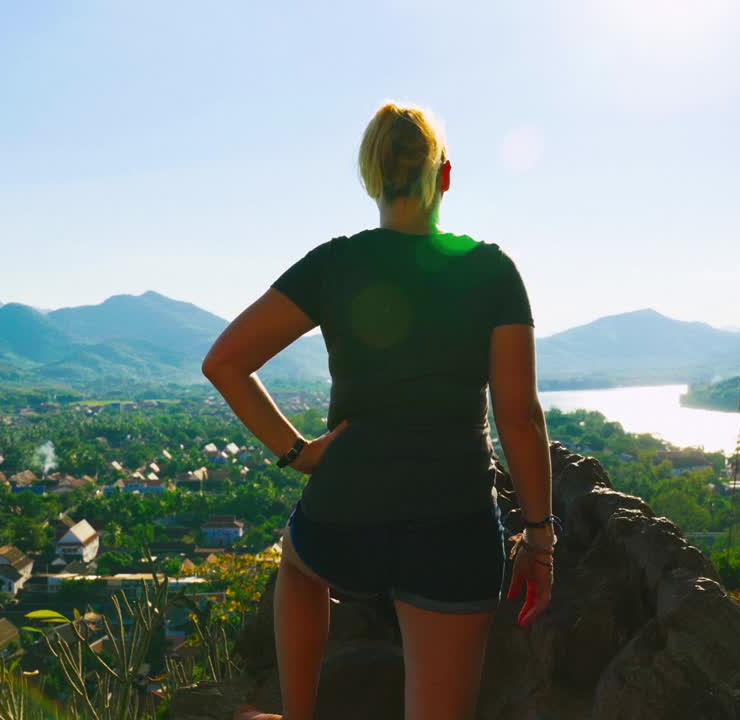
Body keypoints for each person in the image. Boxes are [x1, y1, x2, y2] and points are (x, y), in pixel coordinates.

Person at [203, 101, 555, 720]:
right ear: (445, 176)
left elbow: (225, 362)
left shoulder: (335, 263)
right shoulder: (492, 272)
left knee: (299, 566)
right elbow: (519, 417)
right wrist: (540, 539)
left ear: (371, 179)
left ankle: (297, 712)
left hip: (345, 516)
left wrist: (298, 452)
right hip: (454, 526)